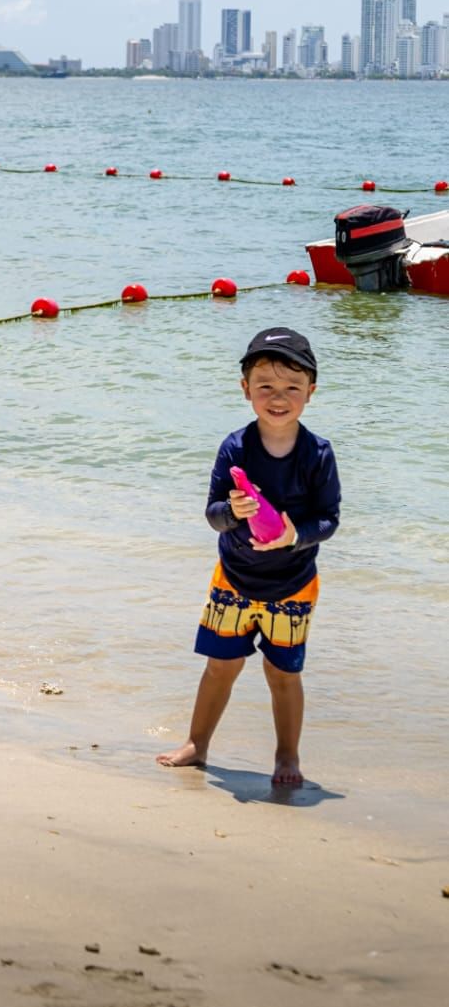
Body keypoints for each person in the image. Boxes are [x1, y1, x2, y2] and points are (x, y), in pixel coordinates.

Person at [157, 327, 340, 786]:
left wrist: (296, 535)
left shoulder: (318, 454)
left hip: (293, 583)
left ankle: (286, 756)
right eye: (266, 387)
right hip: (232, 579)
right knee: (220, 667)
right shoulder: (235, 448)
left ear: (311, 393)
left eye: (292, 388)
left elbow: (329, 520)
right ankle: (197, 745)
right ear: (246, 390)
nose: (279, 398)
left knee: (282, 675)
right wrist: (233, 513)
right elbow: (213, 514)